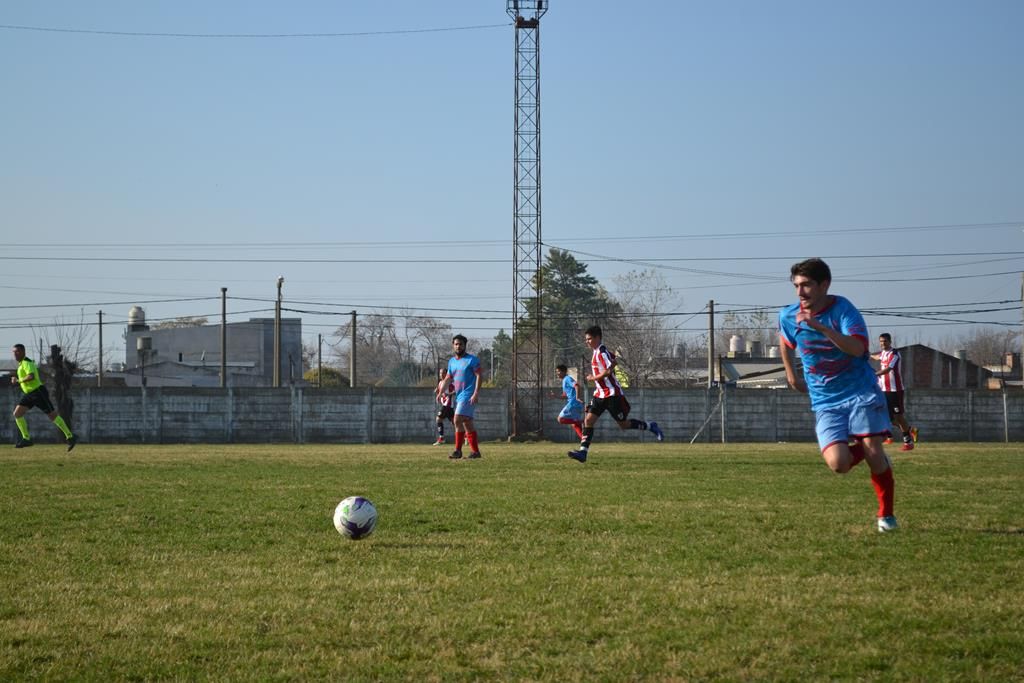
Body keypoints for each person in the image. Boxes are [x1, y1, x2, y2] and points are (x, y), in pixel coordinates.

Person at [778, 258, 897, 533]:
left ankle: (886, 515)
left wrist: (820, 327)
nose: (800, 292)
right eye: (796, 286)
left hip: (860, 392)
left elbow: (857, 349)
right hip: (825, 400)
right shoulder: (788, 315)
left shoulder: (844, 310)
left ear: (824, 285)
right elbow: (785, 341)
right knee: (839, 464)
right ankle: (873, 454)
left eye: (807, 285)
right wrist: (791, 375)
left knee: (873, 452)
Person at [567, 325, 664, 463]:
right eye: (586, 339)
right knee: (588, 420)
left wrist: (593, 378)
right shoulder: (597, 351)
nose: (587, 341)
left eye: (589, 339)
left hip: (612, 394)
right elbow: (613, 361)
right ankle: (583, 452)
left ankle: (650, 426)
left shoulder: (601, 351)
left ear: (597, 338)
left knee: (623, 425)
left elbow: (609, 370)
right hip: (600, 394)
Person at [10, 343, 78, 451]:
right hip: (29, 394)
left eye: (17, 352)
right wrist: (18, 382)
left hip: (38, 392)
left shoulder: (27, 362)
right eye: (14, 352)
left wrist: (18, 381)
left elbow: (31, 376)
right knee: (17, 413)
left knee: (53, 416)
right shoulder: (21, 365)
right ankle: (26, 438)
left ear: (23, 352)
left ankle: (70, 436)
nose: (15, 354)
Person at [436, 334, 482, 459]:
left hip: (468, 394)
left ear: (465, 346)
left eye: (461, 344)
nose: (458, 346)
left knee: (457, 420)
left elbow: (479, 375)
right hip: (459, 395)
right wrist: (440, 392)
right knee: (467, 423)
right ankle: (475, 452)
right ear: (453, 345)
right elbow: (448, 378)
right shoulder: (451, 362)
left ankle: (458, 451)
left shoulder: (472, 360)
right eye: (456, 344)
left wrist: (476, 393)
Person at [872, 333, 918, 452]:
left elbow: (888, 369)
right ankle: (910, 430)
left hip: (895, 390)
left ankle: (908, 442)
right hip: (885, 390)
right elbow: (877, 357)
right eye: (881, 341)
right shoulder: (883, 353)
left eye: (885, 341)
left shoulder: (895, 354)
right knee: (889, 418)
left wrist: (874, 374)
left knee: (899, 416)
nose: (882, 343)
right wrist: (866, 355)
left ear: (890, 341)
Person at [555, 364, 584, 440]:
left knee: (560, 419)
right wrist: (555, 396)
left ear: (564, 371)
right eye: (556, 372)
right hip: (575, 403)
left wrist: (577, 397)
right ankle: (584, 440)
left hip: (573, 403)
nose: (557, 373)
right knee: (575, 424)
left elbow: (577, 386)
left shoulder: (567, 378)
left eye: (558, 371)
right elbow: (565, 396)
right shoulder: (564, 381)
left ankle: (581, 421)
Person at [433, 367, 455, 446]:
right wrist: (437, 391)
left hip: (447, 404)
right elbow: (440, 392)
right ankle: (466, 436)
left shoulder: (449, 383)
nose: (441, 374)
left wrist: (448, 394)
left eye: (443, 373)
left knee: (438, 419)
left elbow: (455, 391)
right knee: (455, 422)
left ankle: (441, 438)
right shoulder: (440, 383)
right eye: (440, 373)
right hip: (446, 405)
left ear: (446, 374)